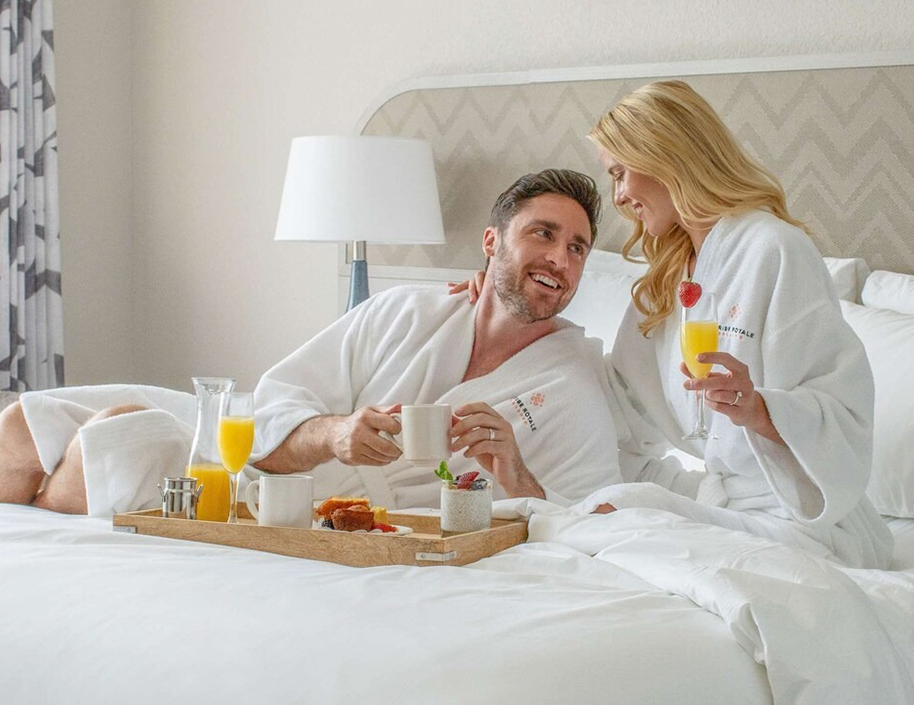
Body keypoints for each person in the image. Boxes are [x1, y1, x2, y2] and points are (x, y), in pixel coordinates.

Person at [0, 169, 623, 515]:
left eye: (576, 248)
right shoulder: (408, 309)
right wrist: (337, 434)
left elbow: (590, 520)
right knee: (20, 427)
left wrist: (514, 472)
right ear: (491, 244)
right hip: (249, 457)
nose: (559, 259)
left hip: (304, 513)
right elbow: (274, 405)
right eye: (542, 234)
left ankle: (46, 535)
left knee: (119, 432)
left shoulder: (573, 381)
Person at [454, 81, 892, 569]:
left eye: (621, 173)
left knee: (623, 515)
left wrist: (761, 409)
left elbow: (845, 409)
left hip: (801, 519)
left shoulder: (774, 249)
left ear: (664, 154)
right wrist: (499, 296)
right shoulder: (668, 278)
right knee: (616, 509)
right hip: (722, 510)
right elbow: (614, 406)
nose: (619, 196)